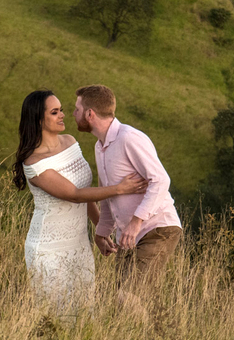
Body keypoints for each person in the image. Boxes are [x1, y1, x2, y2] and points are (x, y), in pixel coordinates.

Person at [12, 90, 147, 317]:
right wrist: (119, 188)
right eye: (54, 112)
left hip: (79, 244)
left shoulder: (70, 142)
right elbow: (74, 194)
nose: (62, 115)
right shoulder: (34, 162)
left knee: (84, 313)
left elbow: (85, 194)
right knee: (56, 316)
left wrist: (101, 230)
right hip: (48, 248)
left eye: (62, 110)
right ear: (38, 119)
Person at [73, 84, 182, 314]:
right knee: (126, 303)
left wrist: (136, 221)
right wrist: (102, 232)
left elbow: (161, 180)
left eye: (77, 109)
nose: (73, 114)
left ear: (90, 114)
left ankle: (152, 335)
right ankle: (159, 334)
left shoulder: (129, 138)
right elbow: (107, 194)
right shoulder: (99, 147)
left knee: (128, 297)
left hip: (156, 229)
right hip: (128, 237)